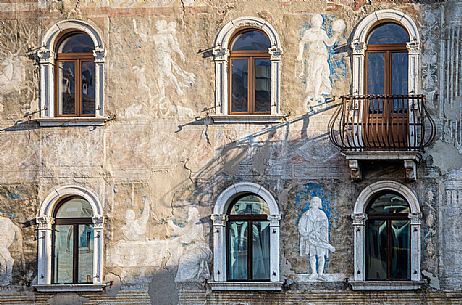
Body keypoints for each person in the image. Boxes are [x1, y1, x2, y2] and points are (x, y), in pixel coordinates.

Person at [297, 15, 345, 106]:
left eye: (319, 21)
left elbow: (329, 43)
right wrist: (300, 54)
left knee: (320, 72)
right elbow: (302, 42)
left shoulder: (322, 32)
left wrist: (335, 36)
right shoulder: (308, 32)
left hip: (321, 56)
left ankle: (316, 94)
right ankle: (315, 93)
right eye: (315, 21)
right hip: (312, 56)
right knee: (313, 74)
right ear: (312, 22)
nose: (317, 23)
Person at [298, 196, 335, 279]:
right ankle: (314, 272)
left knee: (321, 255)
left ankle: (320, 274)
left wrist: (319, 235)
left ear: (319, 204)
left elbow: (325, 227)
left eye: (317, 202)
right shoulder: (306, 214)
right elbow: (301, 226)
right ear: (311, 203)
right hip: (309, 238)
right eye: (313, 202)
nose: (315, 203)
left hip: (320, 238)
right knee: (312, 255)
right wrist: (307, 234)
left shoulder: (322, 214)